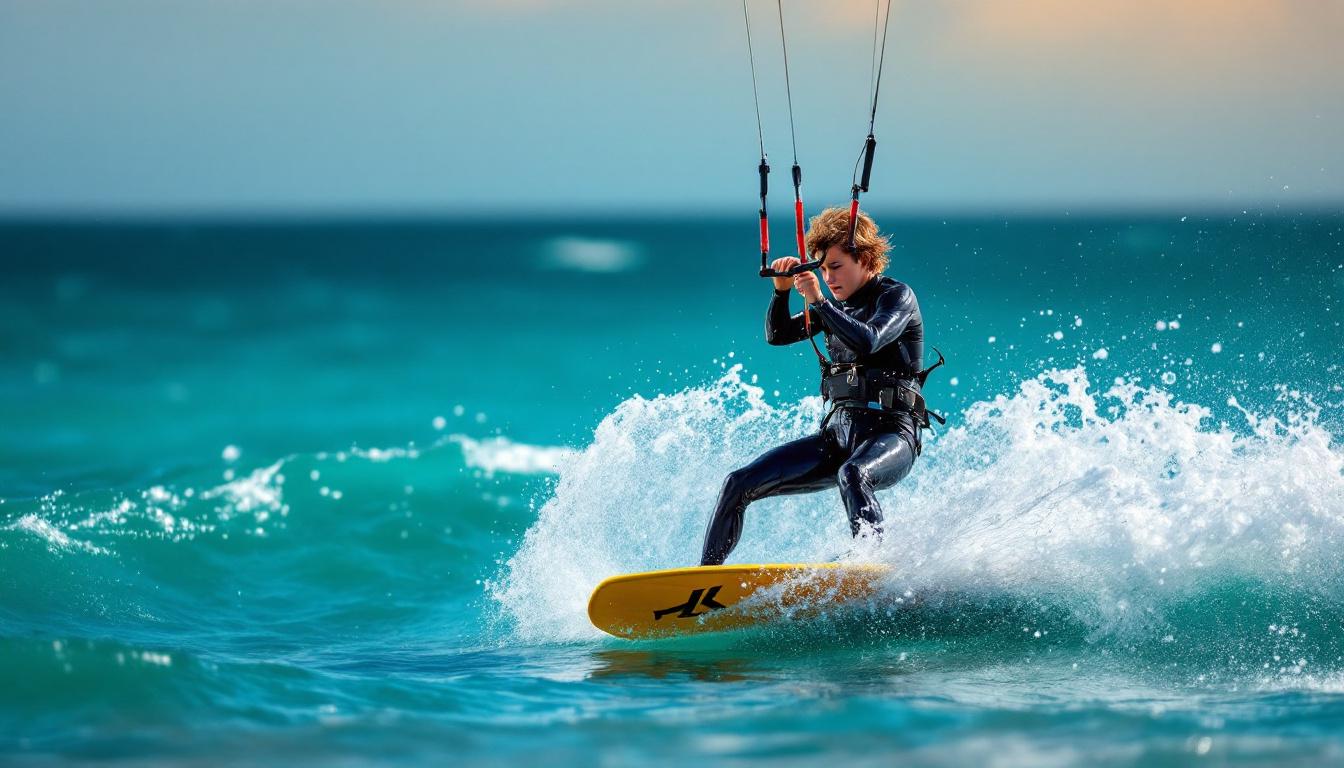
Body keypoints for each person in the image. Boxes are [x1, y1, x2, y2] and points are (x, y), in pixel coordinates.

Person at [700, 207, 932, 566]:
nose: (828, 277)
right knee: (737, 483)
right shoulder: (835, 309)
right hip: (838, 437)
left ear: (865, 259)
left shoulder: (896, 297)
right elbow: (778, 335)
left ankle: (871, 564)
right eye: (822, 270)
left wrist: (820, 301)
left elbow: (869, 340)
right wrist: (781, 293)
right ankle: (704, 580)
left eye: (835, 267)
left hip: (892, 434)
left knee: (853, 474)